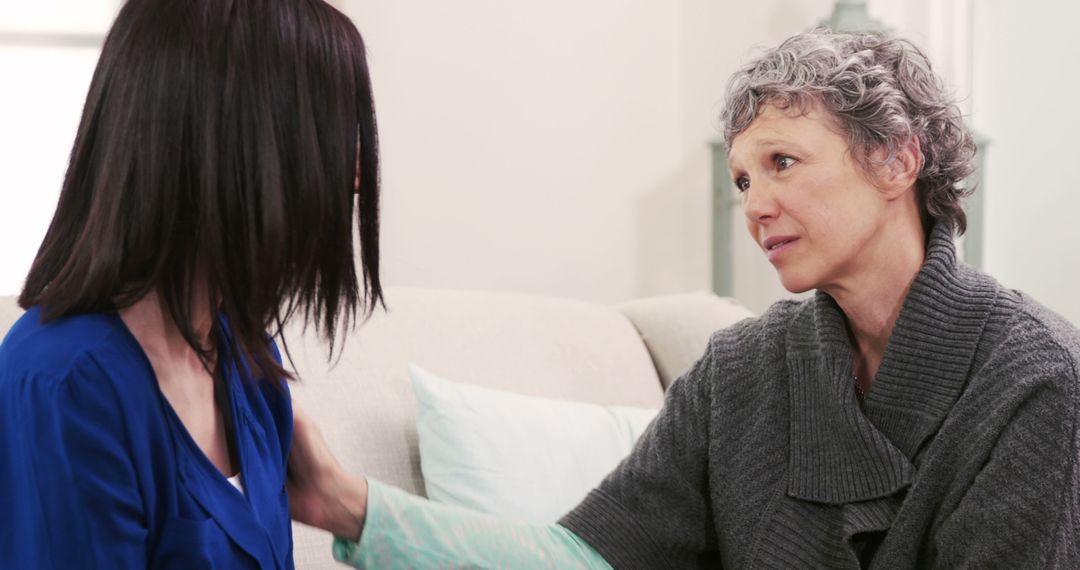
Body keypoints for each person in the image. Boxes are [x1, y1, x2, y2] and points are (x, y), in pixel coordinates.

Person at [288, 29, 1080, 569]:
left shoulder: (1035, 382)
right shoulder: (742, 371)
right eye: (742, 178)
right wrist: (351, 506)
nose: (755, 204)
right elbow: (585, 558)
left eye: (782, 161)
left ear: (898, 159)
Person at [0, 0, 382, 567]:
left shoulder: (246, 355)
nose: (355, 172)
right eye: (331, 128)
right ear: (241, 141)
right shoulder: (66, 387)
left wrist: (343, 500)